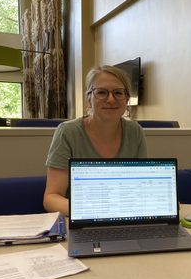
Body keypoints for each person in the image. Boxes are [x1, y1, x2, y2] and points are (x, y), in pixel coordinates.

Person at [43, 65, 148, 215]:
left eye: (118, 93)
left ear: (126, 100)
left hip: (122, 220)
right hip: (80, 222)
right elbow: (51, 198)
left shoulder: (135, 131)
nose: (111, 99)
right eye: (102, 92)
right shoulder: (67, 132)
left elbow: (139, 187)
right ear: (88, 99)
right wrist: (94, 211)